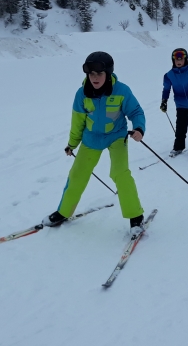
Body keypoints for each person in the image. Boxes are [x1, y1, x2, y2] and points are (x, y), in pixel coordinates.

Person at [43, 51, 146, 234]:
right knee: (77, 174)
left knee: (120, 173)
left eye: (99, 73)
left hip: (116, 136)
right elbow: (77, 122)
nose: (95, 78)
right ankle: (63, 212)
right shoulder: (82, 94)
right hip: (91, 138)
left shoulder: (121, 91)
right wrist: (72, 144)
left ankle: (135, 216)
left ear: (108, 73)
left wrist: (138, 128)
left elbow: (136, 112)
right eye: (91, 74)